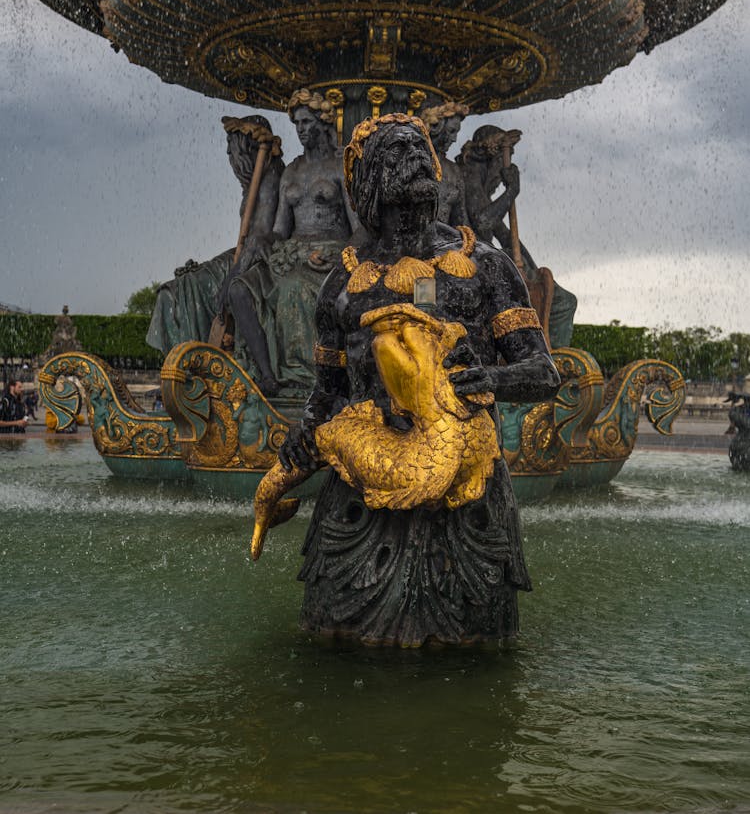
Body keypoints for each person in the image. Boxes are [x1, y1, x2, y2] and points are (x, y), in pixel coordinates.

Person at [277, 113, 560, 646]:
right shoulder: (342, 284)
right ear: (367, 184)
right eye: (394, 150)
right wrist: (303, 434)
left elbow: (543, 372)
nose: (411, 155)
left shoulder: (485, 266)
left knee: (473, 660)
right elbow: (329, 390)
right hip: (362, 502)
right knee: (339, 649)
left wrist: (492, 378)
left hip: (465, 500)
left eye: (417, 147)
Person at [219, 88, 359, 396]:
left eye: (307, 122)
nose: (302, 130)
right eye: (297, 124)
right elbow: (280, 229)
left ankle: (303, 379)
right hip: (290, 252)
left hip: (329, 254)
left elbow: (359, 230)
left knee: (292, 287)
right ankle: (267, 378)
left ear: (324, 123)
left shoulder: (341, 168)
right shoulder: (292, 170)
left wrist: (339, 258)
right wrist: (260, 240)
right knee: (239, 290)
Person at [147, 114, 284, 354]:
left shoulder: (271, 177)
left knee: (189, 289)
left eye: (233, 152)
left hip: (261, 257)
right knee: (177, 289)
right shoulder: (252, 182)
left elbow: (260, 238)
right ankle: (179, 366)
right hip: (243, 252)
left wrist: (233, 272)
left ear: (249, 150)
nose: (230, 159)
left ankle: (192, 362)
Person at [457, 124, 578, 347]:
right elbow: (484, 220)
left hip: (484, 261)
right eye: (504, 161)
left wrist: (535, 273)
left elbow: (504, 234)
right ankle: (545, 355)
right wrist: (512, 191)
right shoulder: (469, 174)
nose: (503, 172)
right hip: (467, 264)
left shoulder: (478, 182)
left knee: (563, 301)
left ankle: (553, 355)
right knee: (562, 303)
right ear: (491, 156)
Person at [421, 101, 470, 227]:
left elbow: (462, 223)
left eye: (456, 133)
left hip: (445, 243)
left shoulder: (454, 171)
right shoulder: (413, 163)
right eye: (451, 131)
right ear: (436, 128)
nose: (454, 139)